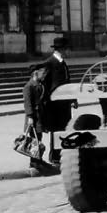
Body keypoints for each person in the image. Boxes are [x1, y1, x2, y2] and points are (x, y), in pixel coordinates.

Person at [35, 36, 72, 166]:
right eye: (68, 49)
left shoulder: (62, 62)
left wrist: (72, 99)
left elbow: (66, 82)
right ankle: (55, 157)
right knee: (56, 130)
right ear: (62, 49)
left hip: (64, 103)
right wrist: (46, 100)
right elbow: (43, 83)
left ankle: (57, 156)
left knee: (62, 129)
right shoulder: (50, 63)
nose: (69, 52)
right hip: (55, 104)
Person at [21, 67, 48, 171]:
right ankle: (33, 163)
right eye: (43, 74)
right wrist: (30, 117)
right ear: (36, 74)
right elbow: (27, 103)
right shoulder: (28, 86)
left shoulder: (40, 85)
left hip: (39, 115)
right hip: (33, 117)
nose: (44, 76)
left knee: (38, 138)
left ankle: (38, 159)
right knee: (34, 140)